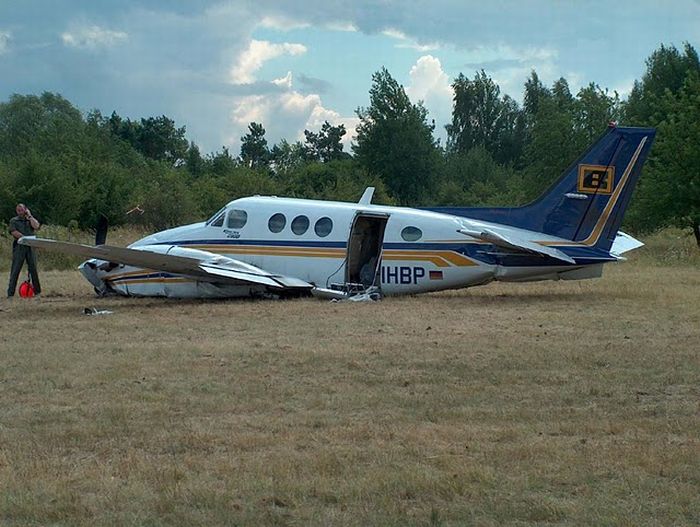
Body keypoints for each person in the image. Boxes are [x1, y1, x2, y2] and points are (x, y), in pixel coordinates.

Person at [7, 203, 42, 297]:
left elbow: (36, 226)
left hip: (30, 247)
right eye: (18, 210)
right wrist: (25, 238)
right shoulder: (14, 221)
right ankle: (10, 293)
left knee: (33, 269)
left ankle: (37, 292)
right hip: (20, 246)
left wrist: (30, 216)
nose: (20, 212)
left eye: (21, 210)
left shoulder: (30, 220)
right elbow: (14, 232)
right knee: (15, 269)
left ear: (25, 210)